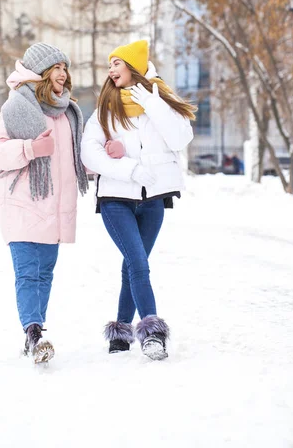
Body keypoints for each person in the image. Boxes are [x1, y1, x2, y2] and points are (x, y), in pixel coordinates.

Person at [81, 40, 196, 360]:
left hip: (154, 199)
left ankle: (120, 332)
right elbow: (88, 149)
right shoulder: (106, 105)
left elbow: (180, 139)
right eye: (109, 65)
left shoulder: (160, 97)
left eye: (116, 63)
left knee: (132, 266)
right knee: (139, 263)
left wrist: (155, 104)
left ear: (133, 66)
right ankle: (153, 333)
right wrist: (129, 168)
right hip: (116, 198)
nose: (110, 69)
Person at [0, 42, 88, 364]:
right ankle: (33, 332)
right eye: (57, 67)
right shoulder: (15, 108)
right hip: (22, 204)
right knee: (28, 274)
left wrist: (105, 158)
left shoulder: (70, 112)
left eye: (65, 68)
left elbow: (79, 160)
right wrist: (30, 148)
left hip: (56, 208)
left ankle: (35, 333)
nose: (63, 74)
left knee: (45, 275)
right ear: (42, 72)